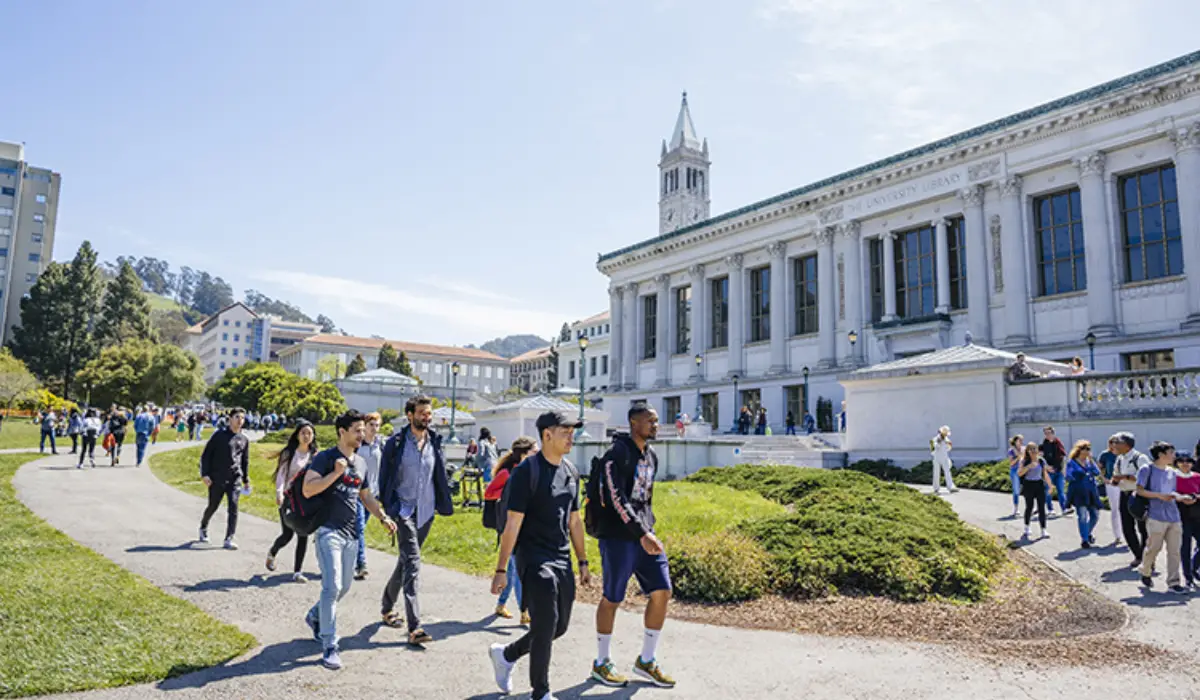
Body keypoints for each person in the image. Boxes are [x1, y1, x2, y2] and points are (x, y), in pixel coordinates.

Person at [488, 410, 589, 700]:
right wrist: (501, 569)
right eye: (565, 431)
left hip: (561, 557)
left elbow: (574, 521)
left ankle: (506, 655)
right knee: (544, 624)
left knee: (559, 627)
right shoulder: (526, 472)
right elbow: (513, 522)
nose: (571, 436)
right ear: (547, 435)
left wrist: (582, 562)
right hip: (533, 557)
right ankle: (541, 692)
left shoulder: (570, 471)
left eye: (573, 431)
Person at [303, 410, 398, 670]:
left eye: (363, 430)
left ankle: (315, 616)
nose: (362, 434)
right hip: (327, 532)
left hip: (351, 535)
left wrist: (383, 516)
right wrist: (335, 474)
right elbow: (308, 489)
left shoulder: (362, 463)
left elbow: (365, 497)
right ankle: (330, 646)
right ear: (342, 432)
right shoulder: (325, 458)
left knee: (343, 588)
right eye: (357, 430)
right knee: (331, 587)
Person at [589, 404, 675, 689]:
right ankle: (601, 663)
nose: (655, 425)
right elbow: (617, 499)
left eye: (656, 421)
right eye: (650, 421)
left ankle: (647, 660)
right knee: (612, 598)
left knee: (662, 591)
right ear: (633, 423)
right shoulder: (617, 455)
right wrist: (641, 532)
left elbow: (646, 499)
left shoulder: (651, 456)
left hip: (645, 536)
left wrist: (648, 529)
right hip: (618, 538)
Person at [377, 395, 454, 645]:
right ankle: (415, 626)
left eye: (428, 413)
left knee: (405, 561)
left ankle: (387, 606)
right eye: (422, 413)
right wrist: (390, 508)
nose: (426, 417)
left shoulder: (435, 442)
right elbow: (385, 477)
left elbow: (438, 474)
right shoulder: (396, 443)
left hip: (426, 512)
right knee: (413, 563)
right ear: (410, 415)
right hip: (404, 511)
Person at [484, 436, 538, 624]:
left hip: (526, 526)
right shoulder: (508, 473)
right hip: (509, 525)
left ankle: (501, 604)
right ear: (524, 453)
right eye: (534, 451)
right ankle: (525, 612)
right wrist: (510, 494)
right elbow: (489, 492)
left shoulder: (530, 471)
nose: (538, 453)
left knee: (513, 568)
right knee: (516, 569)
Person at [268, 421, 318, 582]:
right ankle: (272, 552)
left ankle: (297, 571)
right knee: (287, 535)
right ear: (297, 434)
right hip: (288, 498)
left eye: (309, 433)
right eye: (303, 433)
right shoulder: (289, 453)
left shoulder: (315, 454)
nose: (306, 436)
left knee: (303, 534)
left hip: (305, 499)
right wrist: (279, 493)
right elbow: (281, 475)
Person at [198, 407, 251, 550]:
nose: (240, 421)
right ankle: (203, 526)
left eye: (242, 418)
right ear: (230, 419)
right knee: (213, 506)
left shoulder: (244, 439)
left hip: (235, 478)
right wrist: (205, 474)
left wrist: (246, 479)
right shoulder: (219, 436)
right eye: (237, 417)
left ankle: (229, 538)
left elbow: (244, 461)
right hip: (217, 477)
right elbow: (206, 455)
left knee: (233, 506)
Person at [1137, 441, 1185, 593]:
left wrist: (1182, 497)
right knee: (1153, 548)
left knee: (1175, 550)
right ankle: (1145, 570)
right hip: (1155, 515)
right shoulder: (1147, 469)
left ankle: (1174, 582)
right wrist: (1159, 496)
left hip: (1173, 515)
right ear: (1160, 454)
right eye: (1171, 453)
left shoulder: (1172, 471)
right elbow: (1140, 490)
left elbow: (1174, 491)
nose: (1174, 456)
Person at [1112, 432, 1151, 568]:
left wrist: (1125, 477)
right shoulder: (1119, 459)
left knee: (1143, 528)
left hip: (1139, 495)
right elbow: (1115, 476)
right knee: (1127, 527)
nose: (1114, 445)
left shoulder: (1139, 458)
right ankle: (1138, 555)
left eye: (1117, 442)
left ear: (1126, 444)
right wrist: (1115, 480)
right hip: (1124, 494)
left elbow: (1145, 476)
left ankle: (1148, 558)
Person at [354, 411, 385, 581]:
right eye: (371, 425)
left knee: (359, 529)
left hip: (373, 493)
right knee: (358, 527)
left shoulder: (379, 445)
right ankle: (361, 564)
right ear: (364, 426)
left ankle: (348, 557)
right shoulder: (358, 445)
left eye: (376, 425)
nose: (374, 428)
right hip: (357, 492)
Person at [1065, 440, 1102, 549]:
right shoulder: (1072, 462)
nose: (1087, 451)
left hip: (1091, 491)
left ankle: (1087, 533)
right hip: (1078, 492)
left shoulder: (1089, 461)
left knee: (1095, 515)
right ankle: (1084, 540)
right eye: (1085, 449)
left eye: (1089, 449)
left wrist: (1091, 461)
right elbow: (1068, 476)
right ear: (1079, 450)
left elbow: (1097, 472)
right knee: (1082, 516)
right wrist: (1076, 475)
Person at [1173, 452, 1200, 587]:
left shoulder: (1197, 477)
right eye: (1182, 461)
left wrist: (1195, 497)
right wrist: (1182, 498)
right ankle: (1188, 577)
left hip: (1197, 515)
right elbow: (1169, 493)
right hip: (1180, 516)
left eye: (1188, 461)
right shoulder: (1172, 477)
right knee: (1185, 547)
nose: (1185, 464)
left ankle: (1194, 568)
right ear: (1176, 462)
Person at [1018, 443, 1052, 539]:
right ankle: (1027, 527)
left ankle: (1043, 529)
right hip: (1028, 485)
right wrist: (1028, 466)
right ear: (1027, 451)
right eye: (1031, 449)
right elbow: (1019, 473)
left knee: (1041, 507)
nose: (1033, 451)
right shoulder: (1024, 461)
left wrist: (1050, 486)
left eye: (1035, 449)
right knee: (1029, 506)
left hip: (1039, 484)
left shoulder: (1041, 461)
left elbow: (1045, 474)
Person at [1098, 437, 1123, 546]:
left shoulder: (1124, 454)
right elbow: (1098, 468)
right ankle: (1117, 535)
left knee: (1125, 509)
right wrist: (1104, 479)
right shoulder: (1105, 455)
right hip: (1111, 484)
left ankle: (1126, 532)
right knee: (1115, 509)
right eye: (1112, 442)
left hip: (1124, 484)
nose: (1114, 445)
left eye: (1117, 442)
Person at [1040, 426, 1069, 515]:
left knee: (1061, 490)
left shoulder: (1058, 443)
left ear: (1053, 433)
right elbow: (1039, 458)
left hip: (1058, 471)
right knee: (1049, 490)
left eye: (1049, 433)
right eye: (1046, 433)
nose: (1047, 435)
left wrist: (1064, 469)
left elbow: (1063, 457)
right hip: (1048, 472)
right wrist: (1046, 467)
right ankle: (1050, 509)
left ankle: (1064, 509)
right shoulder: (1043, 445)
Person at [930, 426, 958, 494]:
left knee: (947, 472)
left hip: (945, 457)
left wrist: (949, 445)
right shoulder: (935, 439)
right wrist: (939, 443)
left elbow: (948, 449)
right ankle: (936, 488)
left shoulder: (946, 439)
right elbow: (933, 449)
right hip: (936, 458)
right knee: (936, 473)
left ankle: (950, 487)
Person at [1007, 435, 1024, 517]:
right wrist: (1018, 457)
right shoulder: (1011, 451)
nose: (1021, 442)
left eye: (1021, 440)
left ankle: (1031, 508)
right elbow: (1011, 463)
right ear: (1015, 441)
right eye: (1019, 440)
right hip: (1015, 471)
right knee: (1016, 490)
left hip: (1024, 471)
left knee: (1029, 489)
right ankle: (1016, 509)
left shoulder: (1023, 449)